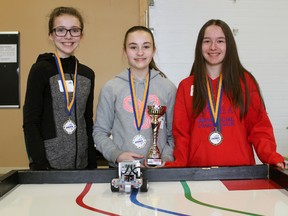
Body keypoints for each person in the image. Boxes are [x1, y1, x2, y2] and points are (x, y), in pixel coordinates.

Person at [165, 19, 285, 168]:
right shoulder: (186, 86)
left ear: (229, 45)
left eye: (220, 41)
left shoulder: (245, 82)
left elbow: (259, 127)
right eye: (207, 41)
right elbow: (181, 134)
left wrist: (270, 156)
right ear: (199, 46)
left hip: (240, 175)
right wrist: (179, 164)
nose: (213, 47)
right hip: (197, 174)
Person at [23, 6, 97, 170]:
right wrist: (40, 164)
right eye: (61, 30)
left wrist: (92, 164)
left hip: (82, 166)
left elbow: (87, 121)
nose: (68, 36)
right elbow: (30, 122)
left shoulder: (87, 74)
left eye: (74, 30)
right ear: (51, 34)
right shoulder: (40, 70)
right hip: (49, 166)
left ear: (81, 35)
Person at [93, 26, 176, 167]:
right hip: (121, 170)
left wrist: (165, 158)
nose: (140, 52)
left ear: (154, 50)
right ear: (125, 51)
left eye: (146, 46)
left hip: (159, 171)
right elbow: (100, 132)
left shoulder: (168, 88)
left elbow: (174, 135)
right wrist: (116, 155)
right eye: (133, 47)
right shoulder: (111, 88)